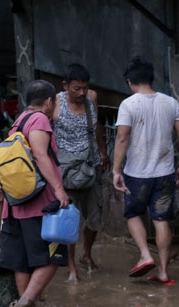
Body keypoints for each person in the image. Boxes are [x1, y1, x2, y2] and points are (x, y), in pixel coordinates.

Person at [0, 79, 71, 307]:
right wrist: (59, 190)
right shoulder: (39, 120)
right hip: (39, 203)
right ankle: (26, 302)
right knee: (53, 256)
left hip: (15, 204)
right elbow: (40, 154)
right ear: (49, 102)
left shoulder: (18, 122)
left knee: (23, 260)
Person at [112, 56, 179, 286]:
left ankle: (146, 254)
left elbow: (122, 137)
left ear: (129, 81)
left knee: (133, 213)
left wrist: (116, 170)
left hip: (137, 174)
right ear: (151, 79)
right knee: (161, 218)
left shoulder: (129, 105)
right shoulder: (171, 103)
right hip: (165, 173)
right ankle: (164, 272)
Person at [53, 63, 109, 281]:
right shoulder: (55, 102)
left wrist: (103, 152)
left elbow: (97, 128)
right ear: (65, 85)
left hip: (91, 166)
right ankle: (71, 268)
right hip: (66, 172)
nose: (81, 93)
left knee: (95, 217)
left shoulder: (91, 98)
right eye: (76, 88)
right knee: (69, 220)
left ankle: (86, 254)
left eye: (84, 88)